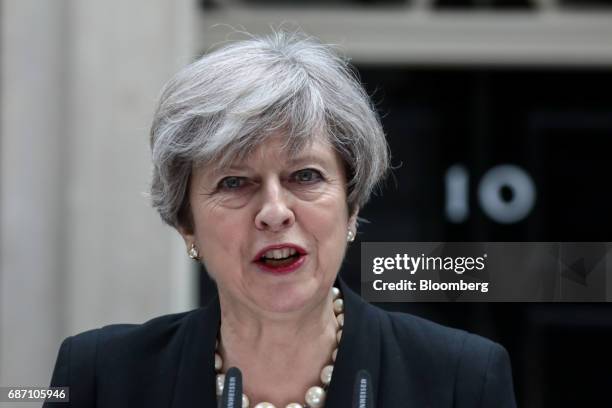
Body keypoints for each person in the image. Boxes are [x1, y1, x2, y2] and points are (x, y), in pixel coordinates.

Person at [45, 30, 516, 408]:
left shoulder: (463, 379)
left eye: (305, 176)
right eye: (234, 182)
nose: (274, 211)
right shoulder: (97, 378)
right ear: (186, 223)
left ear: (351, 206)